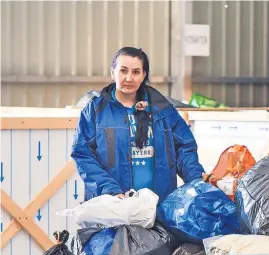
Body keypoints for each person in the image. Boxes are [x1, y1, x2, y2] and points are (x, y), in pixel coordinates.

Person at [71, 47, 204, 202]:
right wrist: (109, 190)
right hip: (113, 205)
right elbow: (83, 154)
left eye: (136, 72)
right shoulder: (95, 111)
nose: (129, 78)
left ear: (143, 75)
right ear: (113, 73)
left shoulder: (163, 109)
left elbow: (184, 148)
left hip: (159, 204)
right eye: (123, 71)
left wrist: (197, 181)